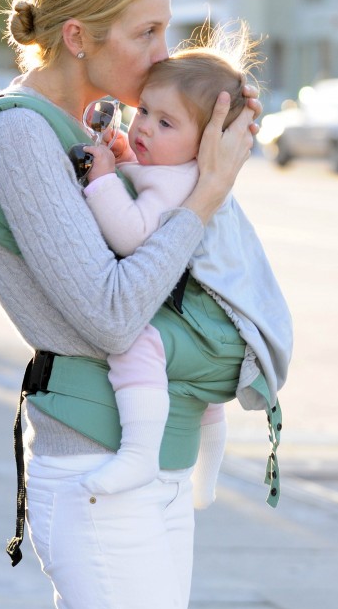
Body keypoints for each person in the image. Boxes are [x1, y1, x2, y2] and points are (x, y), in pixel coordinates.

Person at [0, 0, 262, 609]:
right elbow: (111, 316)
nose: (164, 51)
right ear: (76, 36)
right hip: (94, 461)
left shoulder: (101, 129)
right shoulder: (16, 135)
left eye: (167, 28)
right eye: (146, 31)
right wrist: (204, 194)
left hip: (154, 457)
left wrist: (209, 137)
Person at [79, 27, 292, 506]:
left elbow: (132, 232)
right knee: (196, 391)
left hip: (213, 324)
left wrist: (101, 180)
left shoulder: (179, 183)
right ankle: (208, 477)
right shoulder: (184, 170)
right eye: (144, 112)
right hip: (222, 324)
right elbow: (150, 179)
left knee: (138, 342)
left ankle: (137, 454)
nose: (145, 128)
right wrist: (126, 158)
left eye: (166, 123)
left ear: (207, 142)